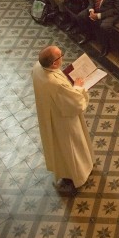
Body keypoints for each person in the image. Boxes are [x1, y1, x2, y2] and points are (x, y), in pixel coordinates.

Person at [31, 45, 93, 191]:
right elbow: (75, 102)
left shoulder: (37, 68)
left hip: (49, 112)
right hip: (63, 119)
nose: (63, 57)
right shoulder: (56, 83)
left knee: (59, 147)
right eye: (61, 55)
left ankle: (65, 170)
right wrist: (78, 87)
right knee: (72, 146)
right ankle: (79, 174)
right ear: (54, 63)